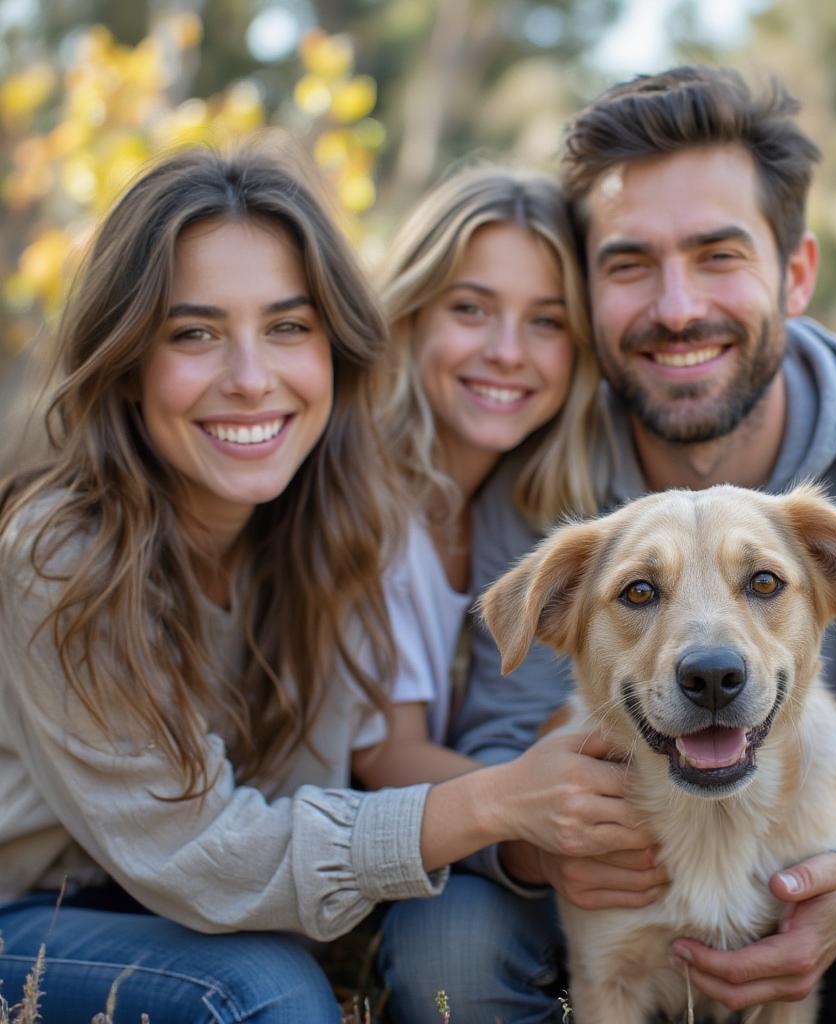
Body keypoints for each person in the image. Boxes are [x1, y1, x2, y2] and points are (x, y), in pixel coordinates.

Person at [380, 67, 836, 1023]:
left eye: (718, 255)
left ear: (795, 273)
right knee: (446, 945)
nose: (677, 307)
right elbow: (504, 737)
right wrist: (537, 846)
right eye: (631, 264)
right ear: (590, 291)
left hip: (828, 859)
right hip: (609, 881)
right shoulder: (547, 463)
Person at [0, 145, 653, 1023]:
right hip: (33, 911)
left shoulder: (323, 526)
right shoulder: (58, 553)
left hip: (185, 912)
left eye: (287, 327)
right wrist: (501, 803)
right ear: (126, 360)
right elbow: (203, 855)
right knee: (262, 994)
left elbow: (307, 803)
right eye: (193, 333)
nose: (249, 377)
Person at [352, 165, 607, 787]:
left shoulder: (528, 505)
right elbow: (384, 756)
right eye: (471, 309)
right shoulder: (362, 500)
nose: (507, 352)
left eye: (546, 321)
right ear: (411, 315)